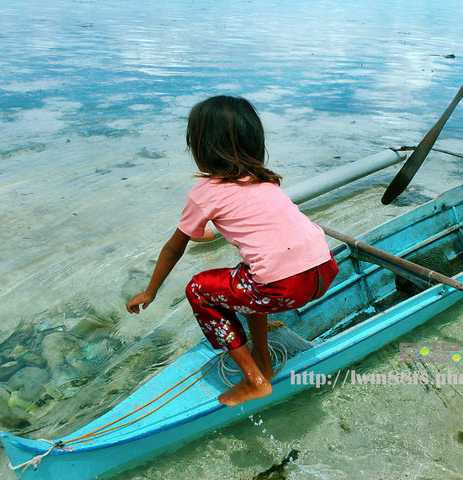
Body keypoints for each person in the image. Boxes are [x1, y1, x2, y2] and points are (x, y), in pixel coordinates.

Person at [126, 96, 338, 406]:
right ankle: (263, 359)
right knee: (247, 276)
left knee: (198, 289)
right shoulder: (265, 181)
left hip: (283, 287)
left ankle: (255, 380)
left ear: (200, 148)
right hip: (325, 270)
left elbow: (173, 249)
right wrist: (207, 233)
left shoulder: (204, 192)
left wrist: (150, 292)